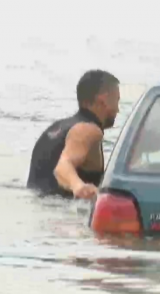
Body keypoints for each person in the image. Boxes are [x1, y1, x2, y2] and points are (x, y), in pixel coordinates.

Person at [27, 69, 120, 199]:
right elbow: (62, 166)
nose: (118, 109)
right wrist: (78, 186)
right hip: (64, 215)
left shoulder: (55, 128)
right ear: (103, 100)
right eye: (117, 100)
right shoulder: (89, 130)